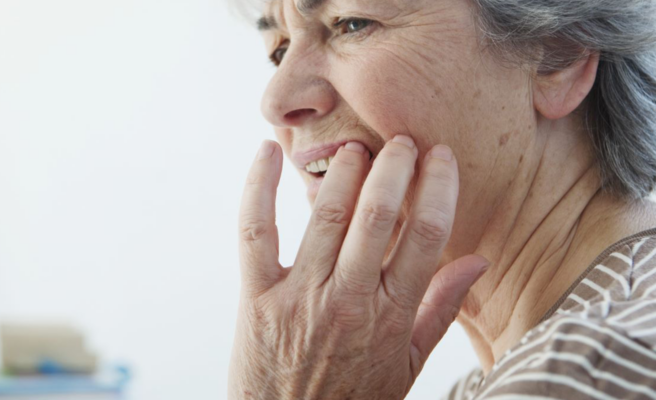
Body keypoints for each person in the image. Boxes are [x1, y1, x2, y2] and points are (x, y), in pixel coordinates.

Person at [227, 0, 656, 398]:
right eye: (278, 49)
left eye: (351, 24)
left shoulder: (576, 373)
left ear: (557, 54)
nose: (275, 101)